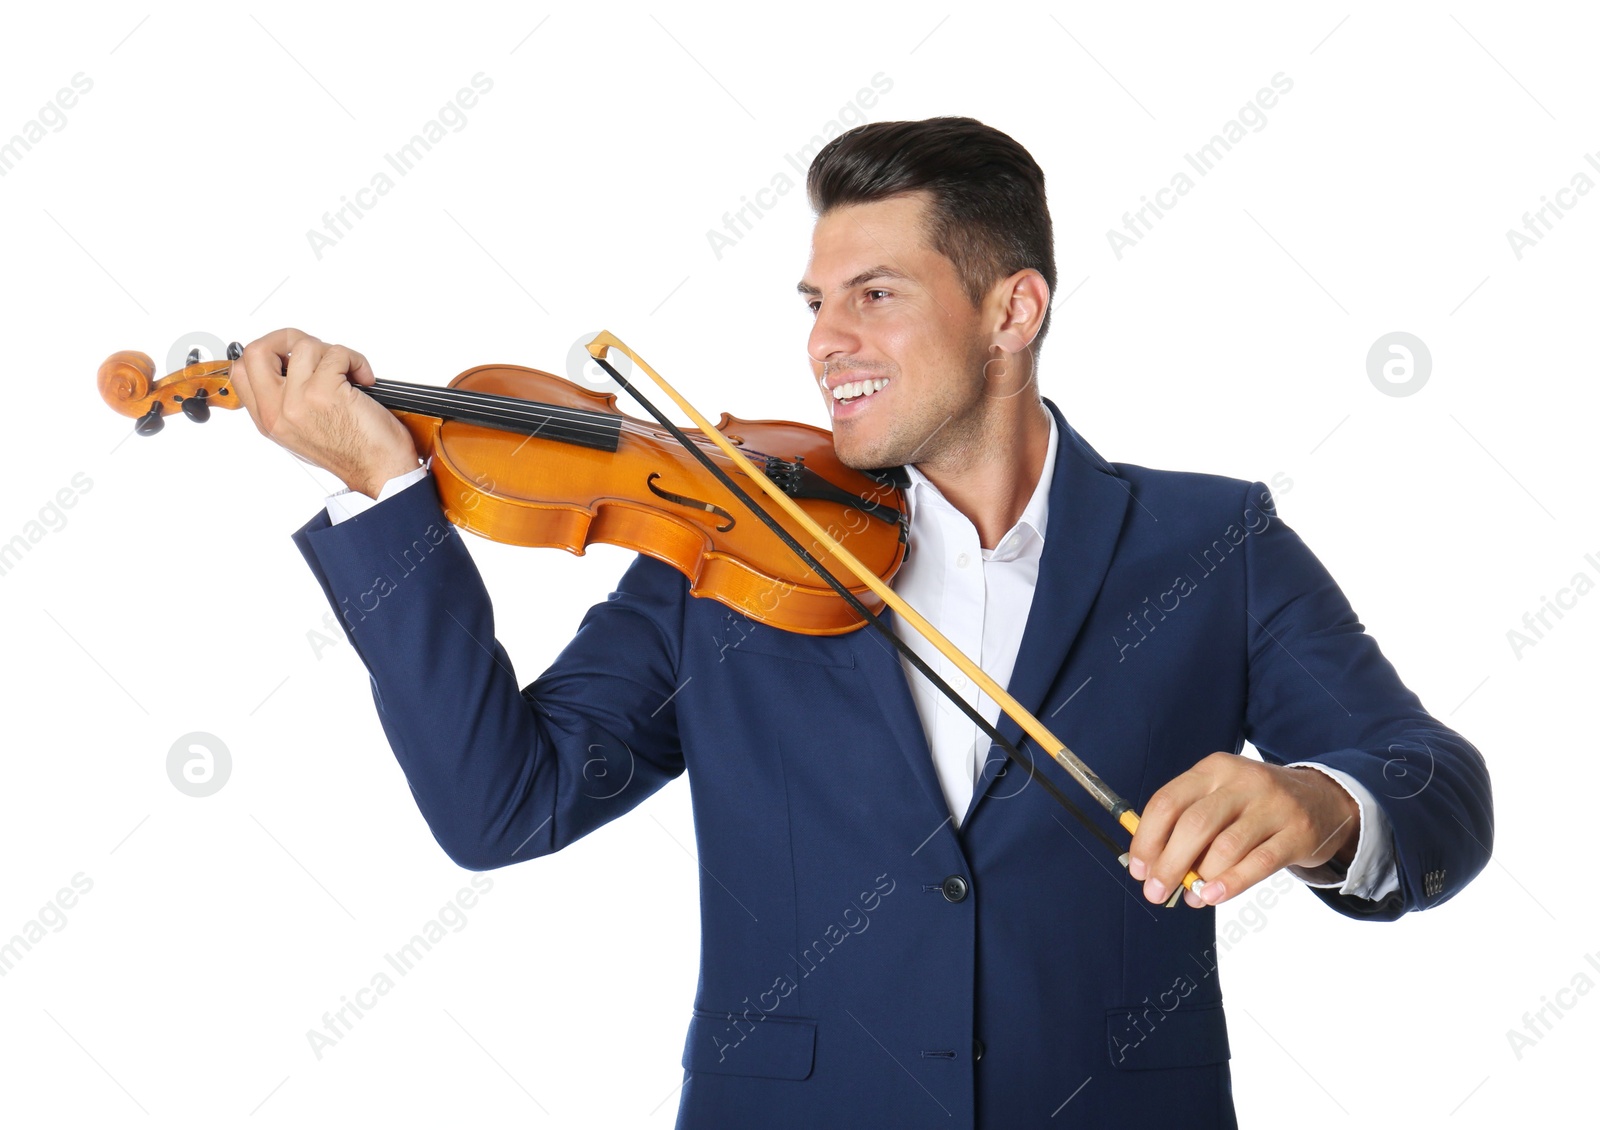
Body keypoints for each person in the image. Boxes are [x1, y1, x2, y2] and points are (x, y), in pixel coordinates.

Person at [228, 116, 1493, 1129]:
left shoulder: (1210, 541)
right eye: (815, 300)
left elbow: (1436, 782)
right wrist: (390, 491)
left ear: (1012, 311)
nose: (826, 342)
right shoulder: (725, 540)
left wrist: (1326, 805)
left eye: (875, 295)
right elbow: (502, 805)